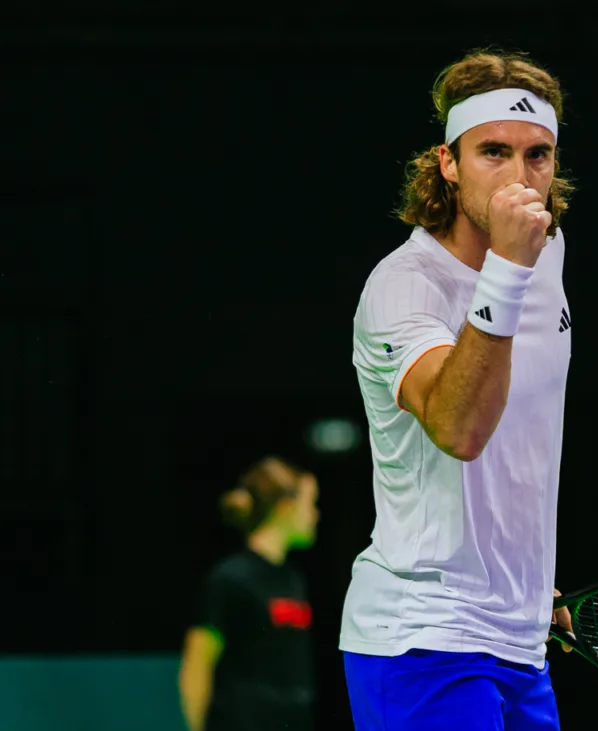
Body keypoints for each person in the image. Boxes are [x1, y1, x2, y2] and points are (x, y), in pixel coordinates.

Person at [340, 49, 577, 730]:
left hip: (519, 639)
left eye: (537, 155)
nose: (518, 178)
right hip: (422, 639)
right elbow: (460, 430)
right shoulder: (403, 287)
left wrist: (523, 580)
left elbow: (518, 445)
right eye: (493, 152)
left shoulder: (547, 253)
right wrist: (505, 269)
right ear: (448, 163)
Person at [178, 456, 320, 731]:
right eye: (310, 504)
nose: (315, 515)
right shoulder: (231, 578)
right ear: (286, 507)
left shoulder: (293, 579)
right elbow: (197, 666)